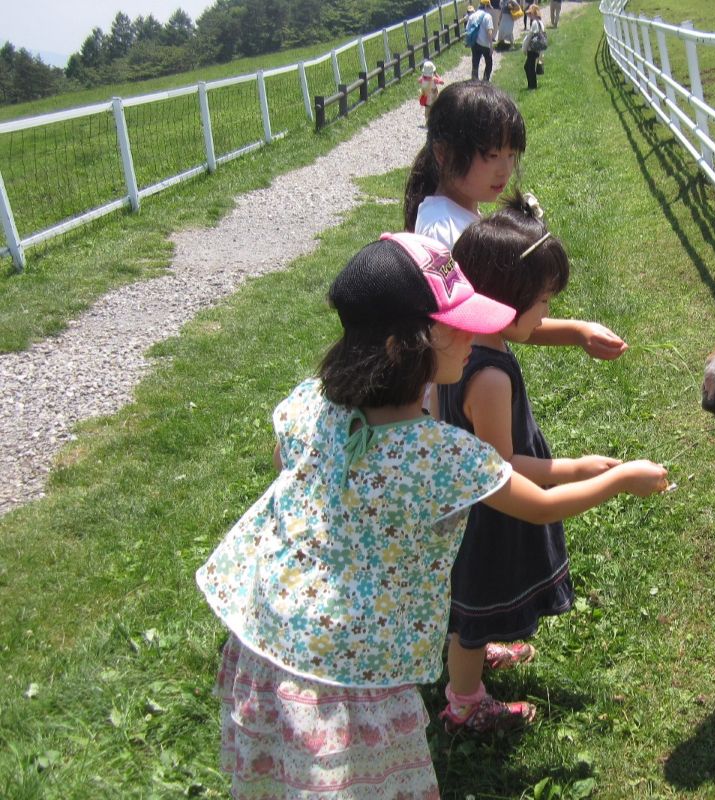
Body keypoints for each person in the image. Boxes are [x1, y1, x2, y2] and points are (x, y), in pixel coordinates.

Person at [196, 232, 669, 798]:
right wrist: (618, 479)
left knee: (285, 774)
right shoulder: (439, 454)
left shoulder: (310, 401)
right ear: (405, 346)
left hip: (265, 630)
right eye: (456, 324)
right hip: (351, 669)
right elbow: (538, 504)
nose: (473, 333)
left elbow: (283, 461)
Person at [436, 194, 626, 731]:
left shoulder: (464, 338)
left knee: (473, 605)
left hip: (469, 501)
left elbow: (524, 326)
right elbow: (505, 469)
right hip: (491, 514)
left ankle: (473, 657)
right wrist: (582, 467)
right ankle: (465, 702)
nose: (547, 313)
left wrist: (577, 330)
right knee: (473, 607)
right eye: (543, 302)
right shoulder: (491, 377)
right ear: (508, 301)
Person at [404, 81, 629, 360]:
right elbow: (499, 318)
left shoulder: (457, 213)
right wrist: (576, 331)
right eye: (492, 156)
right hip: (469, 386)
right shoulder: (444, 232)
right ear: (443, 154)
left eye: (511, 155)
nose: (505, 169)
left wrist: (578, 331)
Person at [467, 0, 496, 82]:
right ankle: (485, 81)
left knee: (475, 62)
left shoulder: (473, 15)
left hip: (475, 43)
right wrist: (491, 46)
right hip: (485, 44)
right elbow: (489, 32)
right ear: (487, 6)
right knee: (489, 63)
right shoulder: (487, 16)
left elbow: (467, 29)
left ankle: (474, 80)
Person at [522, 4, 546, 90]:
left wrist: (524, 48)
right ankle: (531, 85)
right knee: (528, 66)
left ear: (534, 13)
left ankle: (532, 86)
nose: (529, 16)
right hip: (538, 49)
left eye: (530, 13)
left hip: (532, 49)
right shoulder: (540, 23)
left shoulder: (535, 23)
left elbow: (530, 36)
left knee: (529, 67)